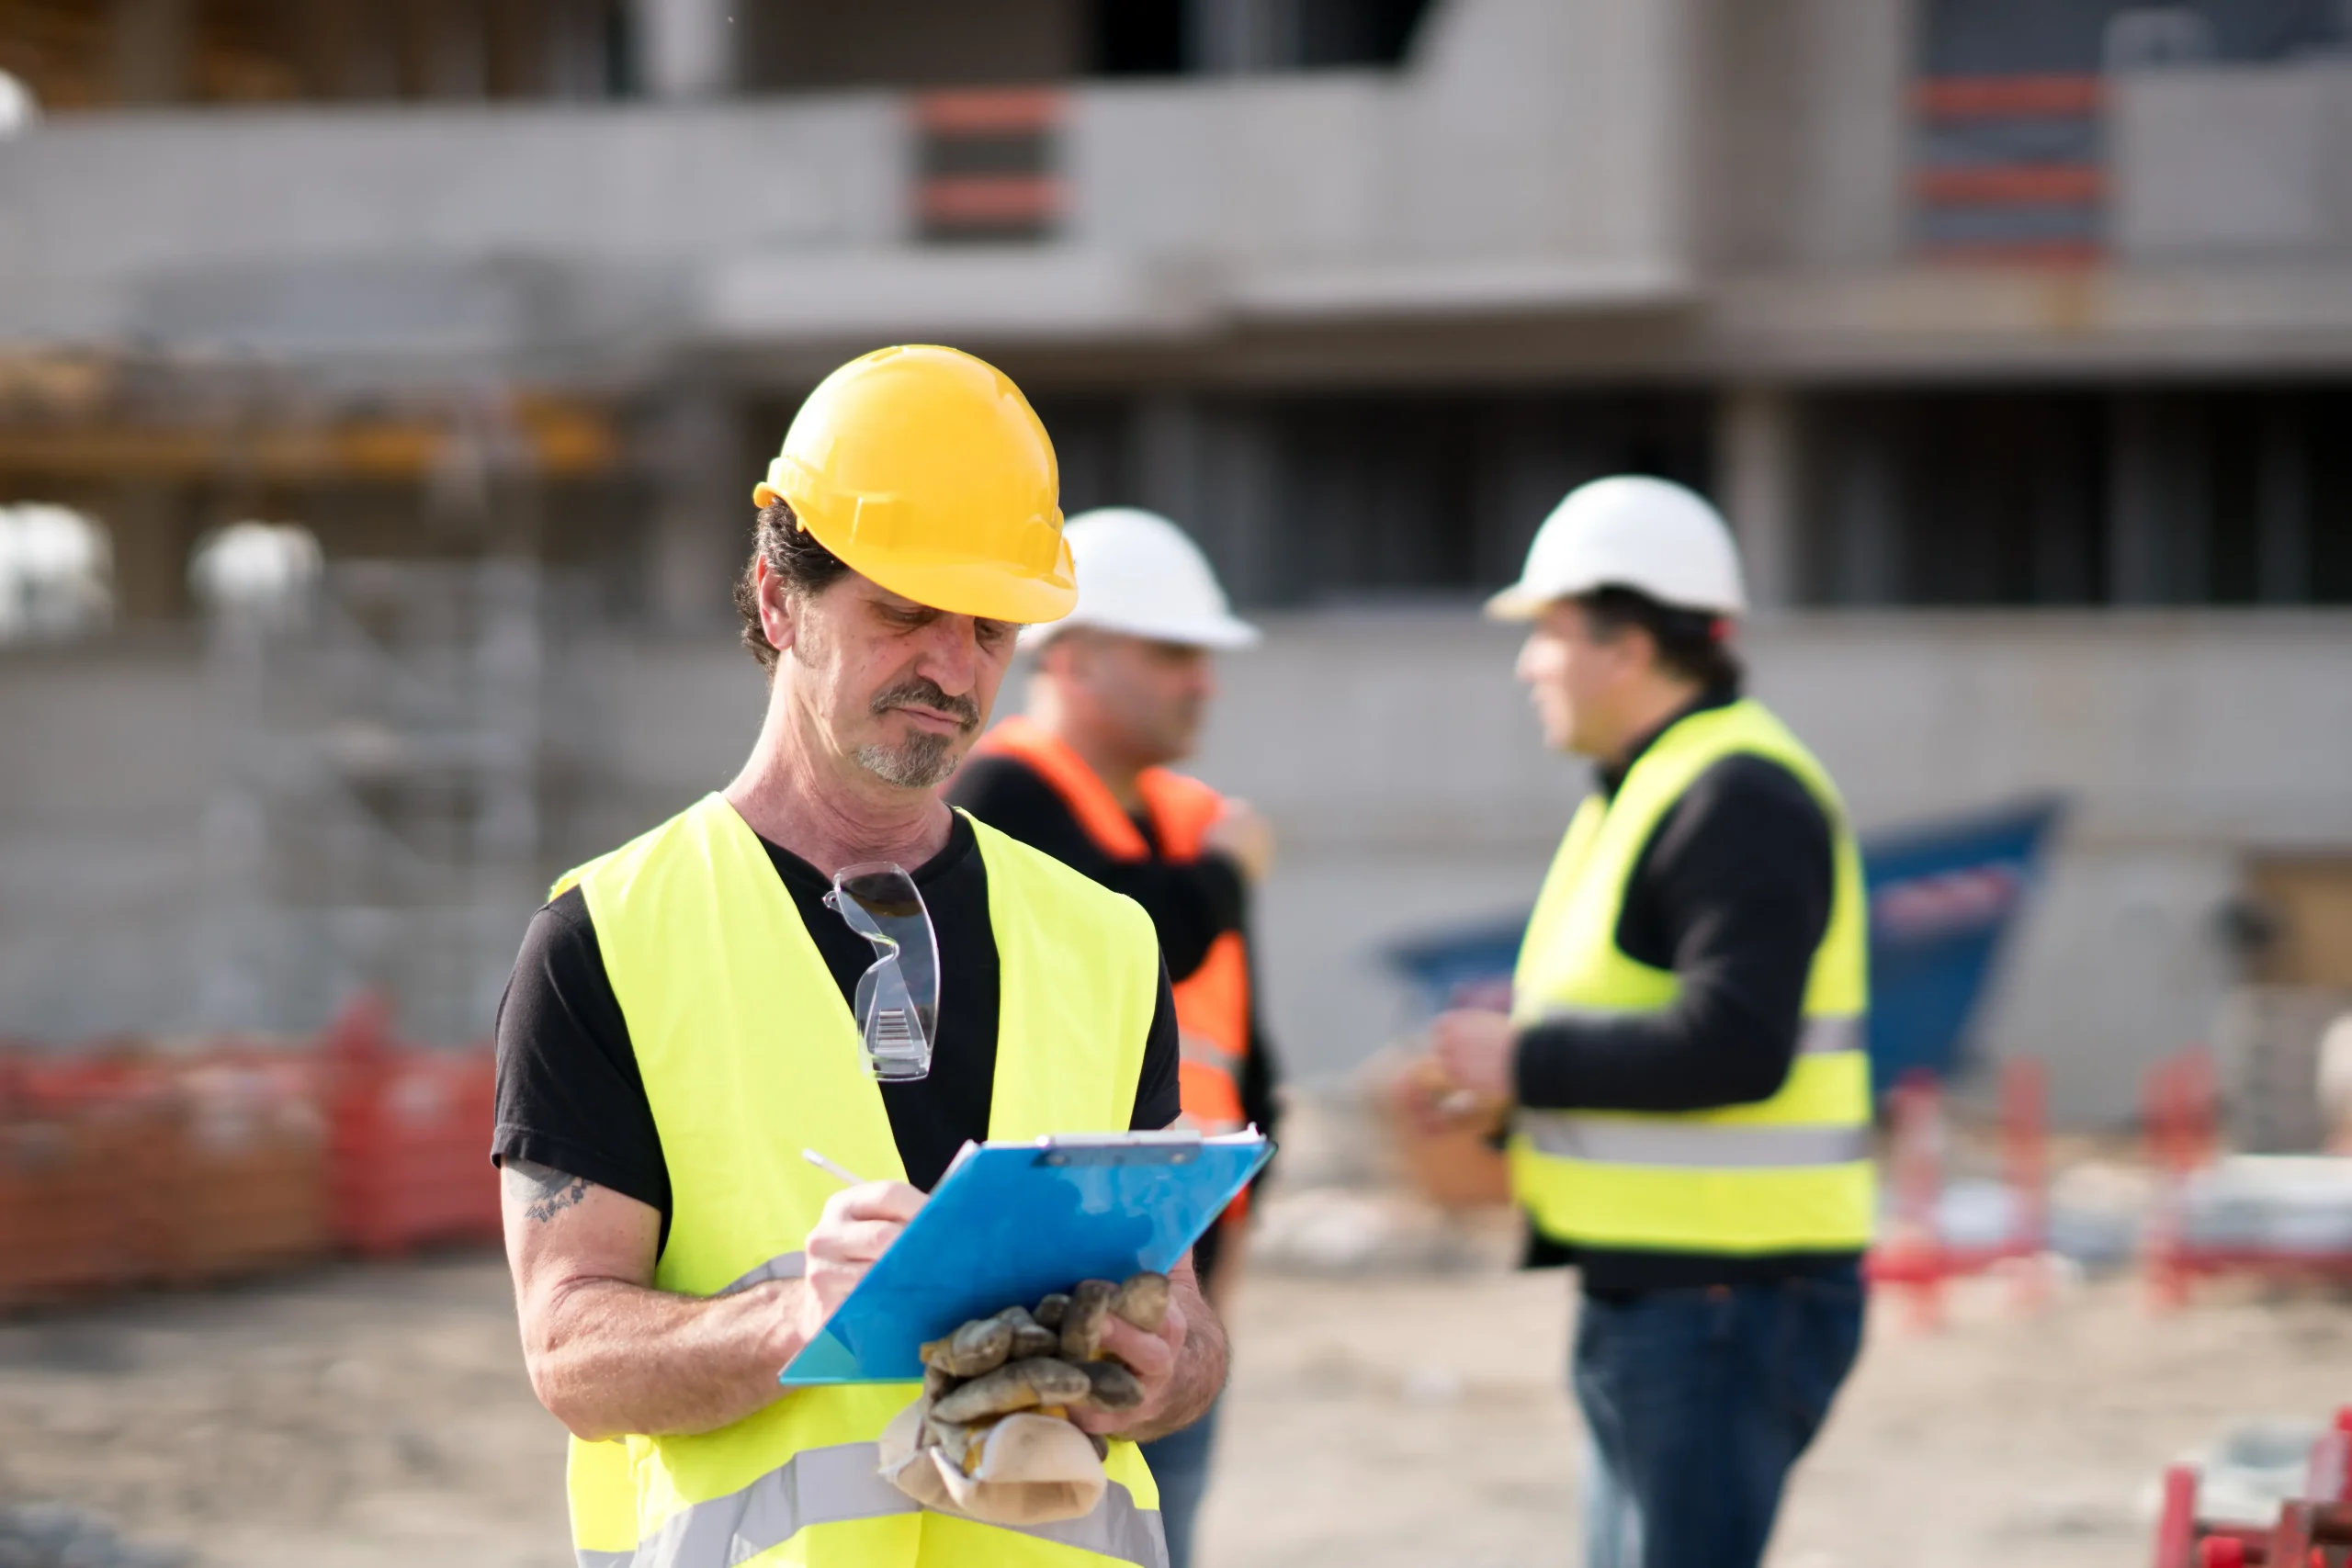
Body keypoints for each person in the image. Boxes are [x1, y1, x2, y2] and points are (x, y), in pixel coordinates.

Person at [492, 345, 1227, 1568]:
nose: (953, 665)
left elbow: (1186, 1320)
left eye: (990, 626)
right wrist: (800, 1312)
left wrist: (1166, 1368)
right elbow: (569, 1350)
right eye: (904, 610)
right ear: (779, 602)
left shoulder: (1104, 940)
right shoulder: (607, 940)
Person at [1414, 476, 1873, 1568]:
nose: (1529, 662)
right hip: (1673, 1290)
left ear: (1626, 644)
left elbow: (1738, 1043)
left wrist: (1522, 1059)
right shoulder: (1649, 786)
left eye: (1550, 632)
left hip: (1722, 1294)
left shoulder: (1734, 796)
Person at [949, 507, 1281, 1568]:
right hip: (1051, 1297)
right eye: (1173, 651)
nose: (1203, 681)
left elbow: (1240, 1054)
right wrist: (1225, 878)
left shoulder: (1184, 820)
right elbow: (1152, 936)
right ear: (1074, 655)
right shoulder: (1004, 795)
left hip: (1172, 1290)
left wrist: (1222, 1258)